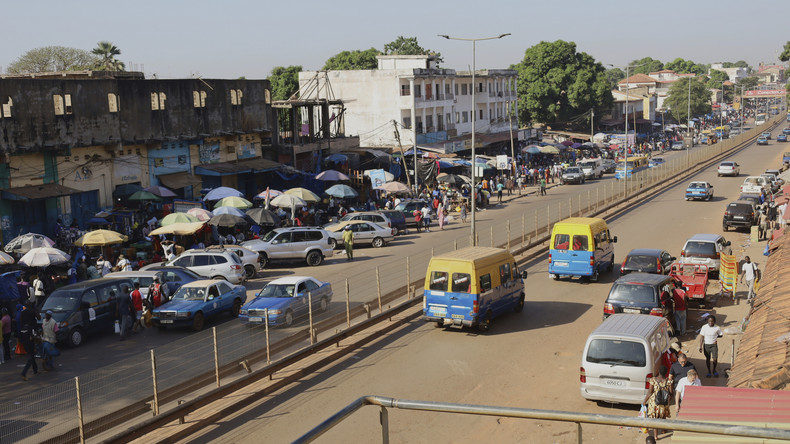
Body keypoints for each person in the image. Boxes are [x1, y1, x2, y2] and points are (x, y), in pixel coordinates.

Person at [643, 365, 672, 440]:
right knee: (662, 416)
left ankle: (655, 436)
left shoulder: (653, 380)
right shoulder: (668, 381)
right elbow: (671, 392)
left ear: (659, 371)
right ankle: (663, 429)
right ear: (666, 373)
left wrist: (644, 401)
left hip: (654, 403)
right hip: (664, 403)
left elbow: (650, 392)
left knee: (655, 419)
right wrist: (668, 400)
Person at [19, 303, 40, 380]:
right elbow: (39, 317)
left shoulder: (22, 313)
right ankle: (23, 373)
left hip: (23, 336)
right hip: (29, 337)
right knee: (31, 356)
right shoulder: (32, 313)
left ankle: (36, 371)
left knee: (31, 354)